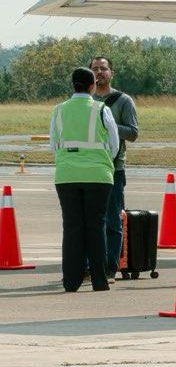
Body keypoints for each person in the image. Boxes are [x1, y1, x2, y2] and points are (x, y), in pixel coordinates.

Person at [50, 67, 119, 292]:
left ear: (73, 85)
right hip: (98, 175)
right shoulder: (101, 109)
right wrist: (101, 160)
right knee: (96, 226)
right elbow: (114, 144)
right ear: (92, 86)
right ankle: (99, 280)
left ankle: (71, 281)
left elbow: (53, 144)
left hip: (66, 175)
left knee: (72, 227)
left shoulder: (59, 110)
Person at [90, 56, 138, 277]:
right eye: (95, 69)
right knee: (90, 221)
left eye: (103, 68)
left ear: (111, 73)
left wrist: (108, 124)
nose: (99, 72)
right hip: (89, 166)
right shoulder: (85, 100)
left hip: (113, 168)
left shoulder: (123, 100)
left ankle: (111, 266)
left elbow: (133, 132)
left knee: (112, 220)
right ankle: (91, 264)